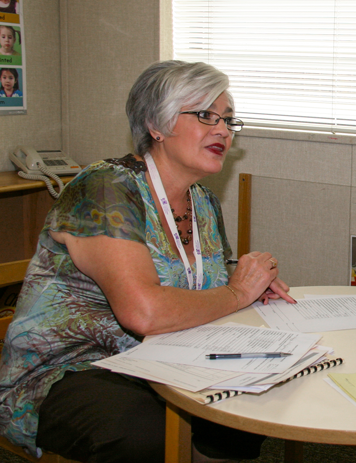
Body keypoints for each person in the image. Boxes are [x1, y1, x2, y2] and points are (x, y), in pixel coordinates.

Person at [0, 60, 296, 462]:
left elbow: (204, 289)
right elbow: (143, 312)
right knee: (142, 433)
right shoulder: (106, 188)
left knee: (248, 402)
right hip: (73, 369)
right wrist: (237, 290)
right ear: (156, 123)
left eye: (228, 119)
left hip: (165, 358)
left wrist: (253, 286)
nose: (223, 130)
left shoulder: (204, 201)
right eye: (206, 115)